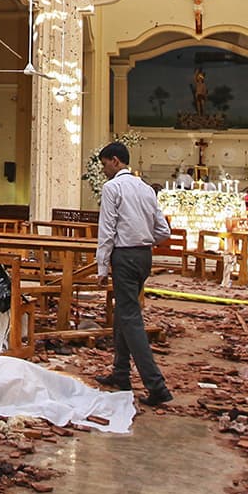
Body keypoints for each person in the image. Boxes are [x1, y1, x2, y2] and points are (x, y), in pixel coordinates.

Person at [92, 141, 172, 407]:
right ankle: (121, 373)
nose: (103, 170)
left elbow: (107, 230)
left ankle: (156, 385)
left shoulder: (112, 187)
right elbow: (163, 230)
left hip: (124, 256)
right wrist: (145, 239)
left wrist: (102, 266)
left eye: (104, 164)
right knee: (124, 313)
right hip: (144, 256)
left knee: (130, 317)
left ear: (115, 161)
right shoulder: (146, 188)